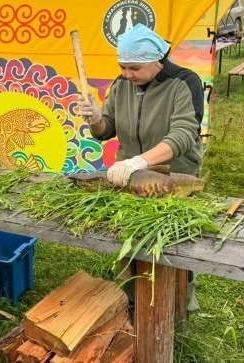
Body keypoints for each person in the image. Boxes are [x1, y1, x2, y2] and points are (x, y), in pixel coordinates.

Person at [78, 23, 204, 311]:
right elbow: (105, 129)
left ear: (156, 60)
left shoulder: (185, 83)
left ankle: (178, 305)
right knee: (130, 236)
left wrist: (141, 160)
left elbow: (185, 134)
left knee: (172, 244)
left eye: (133, 68)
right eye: (122, 66)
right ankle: (131, 300)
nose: (126, 74)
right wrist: (95, 117)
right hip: (131, 180)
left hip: (172, 179)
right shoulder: (122, 86)